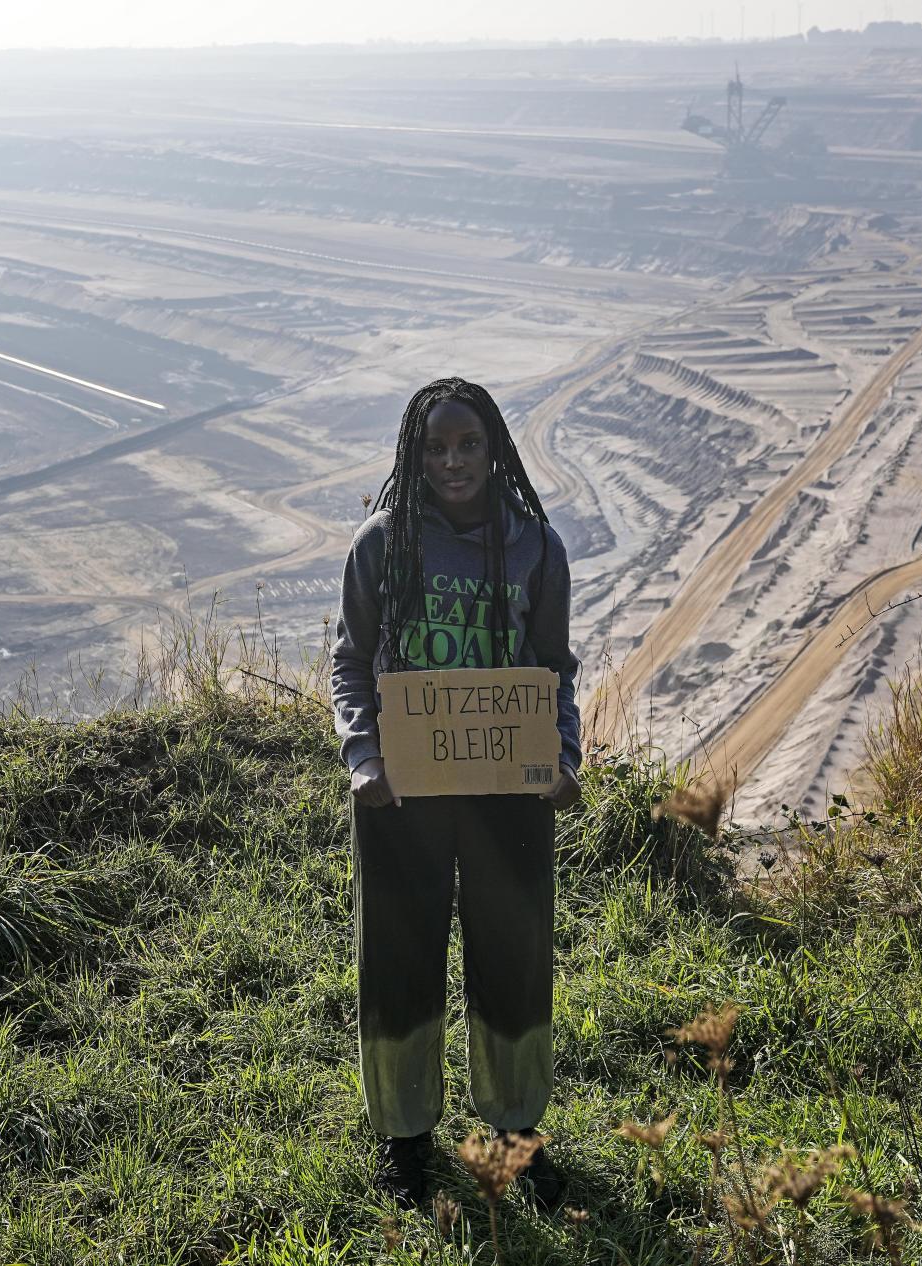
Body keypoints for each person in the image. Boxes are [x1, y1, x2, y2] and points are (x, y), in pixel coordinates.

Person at [330, 376, 583, 1209]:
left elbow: (554, 672)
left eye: (467, 444)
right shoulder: (381, 546)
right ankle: (406, 1142)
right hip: (399, 797)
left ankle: (516, 1131)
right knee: (399, 962)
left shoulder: (537, 548)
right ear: (414, 453)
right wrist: (363, 757)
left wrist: (563, 756)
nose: (452, 462)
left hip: (506, 794)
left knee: (513, 960)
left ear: (495, 448)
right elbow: (350, 663)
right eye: (435, 448)